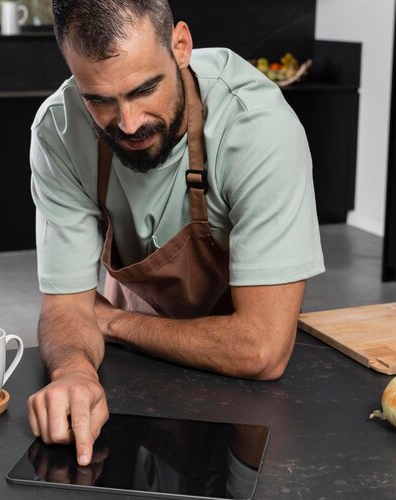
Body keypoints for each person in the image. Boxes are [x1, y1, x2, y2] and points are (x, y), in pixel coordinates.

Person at [27, 0, 325, 468]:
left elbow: (261, 349)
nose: (128, 123)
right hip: (128, 368)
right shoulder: (58, 131)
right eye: (99, 100)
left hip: (242, 389)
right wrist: (75, 371)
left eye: (145, 89)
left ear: (180, 46)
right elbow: (67, 307)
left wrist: (109, 322)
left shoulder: (259, 128)